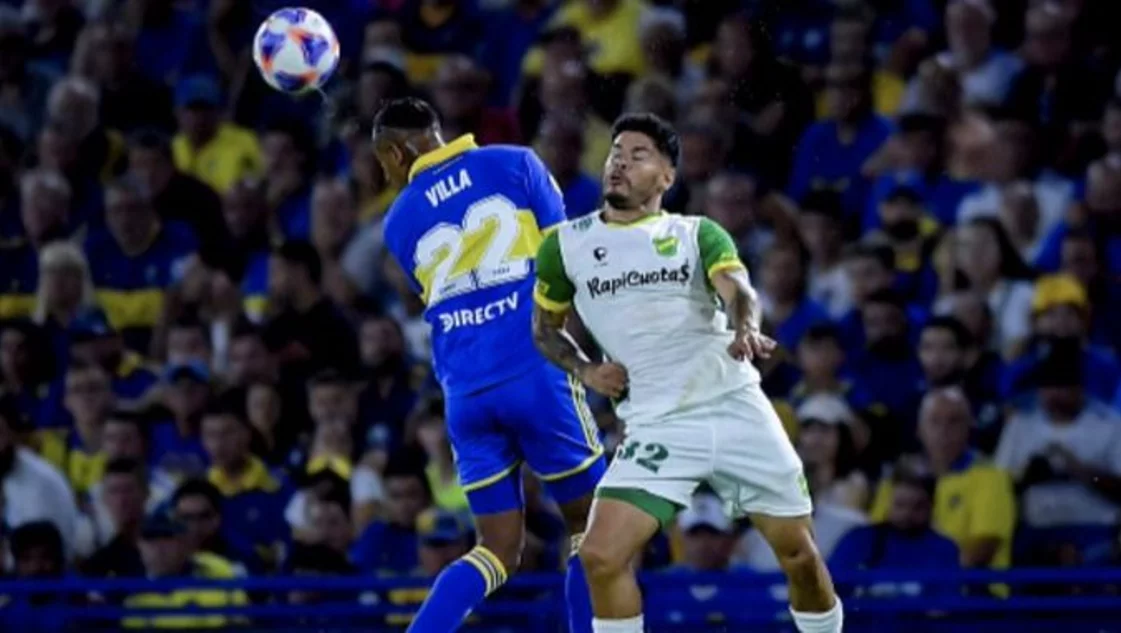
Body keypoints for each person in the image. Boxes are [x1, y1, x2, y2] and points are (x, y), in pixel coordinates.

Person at [533, 113, 843, 633]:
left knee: (799, 555)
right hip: (657, 423)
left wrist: (746, 326)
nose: (619, 164)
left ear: (667, 176)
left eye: (638, 156)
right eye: (615, 153)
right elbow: (545, 330)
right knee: (601, 556)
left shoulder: (696, 233)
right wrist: (585, 369)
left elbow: (739, 291)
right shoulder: (565, 246)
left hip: (733, 406)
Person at [373, 97, 604, 633]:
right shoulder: (516, 163)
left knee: (496, 550)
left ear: (398, 152)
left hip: (465, 393)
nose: (384, 174)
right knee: (595, 529)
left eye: (383, 161)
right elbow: (566, 259)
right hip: (534, 370)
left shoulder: (397, 221)